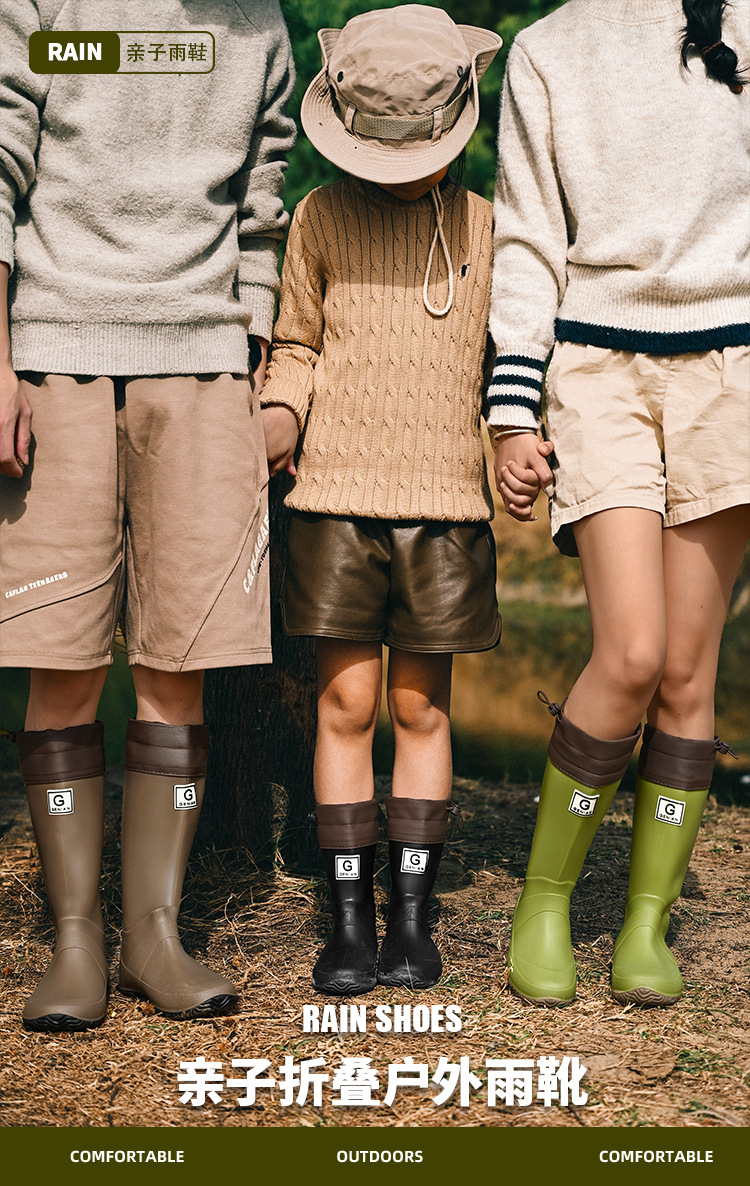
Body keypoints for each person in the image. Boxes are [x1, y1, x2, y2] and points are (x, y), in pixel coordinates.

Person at [0, 0, 295, 1029]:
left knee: (181, 662)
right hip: (52, 349)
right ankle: (76, 938)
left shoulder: (256, 20)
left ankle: (153, 937)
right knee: (62, 662)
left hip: (206, 361)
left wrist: (254, 350)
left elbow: (262, 198)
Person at [488, 0, 749, 1007]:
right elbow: (526, 240)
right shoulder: (546, 49)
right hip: (597, 367)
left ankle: (646, 922)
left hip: (731, 370)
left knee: (688, 671)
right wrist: (512, 409)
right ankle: (546, 901)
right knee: (632, 652)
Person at [261, 5, 502, 995]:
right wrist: (277, 416)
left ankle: (411, 919)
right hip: (333, 500)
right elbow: (297, 342)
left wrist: (524, 444)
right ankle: (349, 923)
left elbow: (507, 366)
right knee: (346, 702)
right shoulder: (319, 216)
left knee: (420, 708)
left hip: (445, 504)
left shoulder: (487, 227)